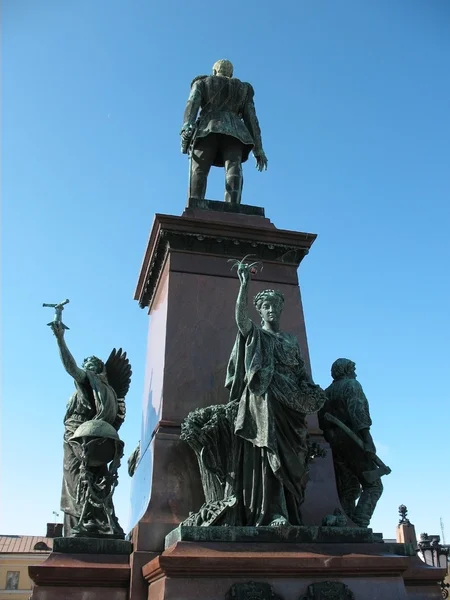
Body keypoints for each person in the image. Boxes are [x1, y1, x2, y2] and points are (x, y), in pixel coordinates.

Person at [225, 261, 326, 526]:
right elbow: (241, 321)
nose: (270, 309)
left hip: (291, 405)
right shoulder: (257, 334)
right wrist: (244, 285)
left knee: (292, 457)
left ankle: (292, 509)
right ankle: (273, 511)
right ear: (260, 311)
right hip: (266, 401)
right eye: (265, 306)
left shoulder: (291, 340)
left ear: (281, 309)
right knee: (269, 454)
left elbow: (302, 371)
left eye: (274, 306)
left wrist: (311, 390)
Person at [50, 321, 126, 536]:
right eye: (87, 362)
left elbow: (71, 368)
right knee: (81, 477)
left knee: (78, 476)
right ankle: (90, 521)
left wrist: (60, 339)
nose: (88, 365)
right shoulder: (95, 388)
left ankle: (87, 521)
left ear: (100, 370)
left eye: (92, 363)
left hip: (83, 436)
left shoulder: (91, 381)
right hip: (80, 433)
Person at [181, 59, 268, 205]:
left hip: (207, 129)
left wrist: (187, 126)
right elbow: (251, 119)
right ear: (231, 73)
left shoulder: (202, 83)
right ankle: (233, 207)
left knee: (200, 168)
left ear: (214, 71)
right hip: (235, 133)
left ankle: (195, 204)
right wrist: (258, 148)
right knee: (234, 167)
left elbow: (192, 104)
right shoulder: (243, 89)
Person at [318, 358, 383, 527]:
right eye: (353, 368)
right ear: (345, 370)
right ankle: (360, 523)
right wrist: (367, 440)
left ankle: (344, 524)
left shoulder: (326, 393)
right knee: (374, 485)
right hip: (354, 440)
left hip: (335, 444)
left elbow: (321, 422)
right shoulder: (352, 385)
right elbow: (358, 412)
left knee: (348, 488)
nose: (355, 372)